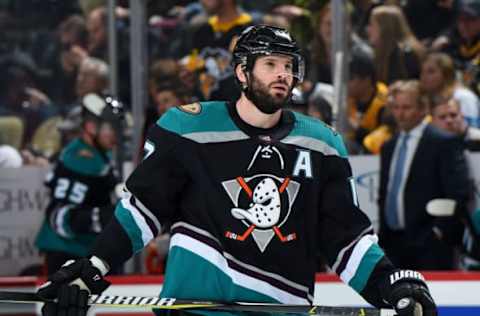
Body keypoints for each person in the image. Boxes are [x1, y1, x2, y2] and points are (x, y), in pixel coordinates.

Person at [37, 25, 437, 316]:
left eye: (288, 66)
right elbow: (143, 211)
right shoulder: (188, 128)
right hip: (196, 310)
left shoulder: (322, 144)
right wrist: (92, 268)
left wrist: (388, 282)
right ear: (242, 73)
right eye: (269, 64)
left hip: (282, 311)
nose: (283, 74)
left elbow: (344, 237)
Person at [378, 80, 470, 270]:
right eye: (396, 107)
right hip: (393, 243)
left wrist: (439, 231)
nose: (400, 113)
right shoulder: (389, 146)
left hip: (429, 245)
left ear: (423, 109)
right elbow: (385, 194)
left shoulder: (442, 142)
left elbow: (458, 191)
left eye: (406, 107)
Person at [35, 93, 124, 274]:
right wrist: (104, 217)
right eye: (112, 127)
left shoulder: (97, 154)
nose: (116, 134)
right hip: (68, 253)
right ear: (91, 127)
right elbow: (60, 217)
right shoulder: (80, 159)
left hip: (87, 251)